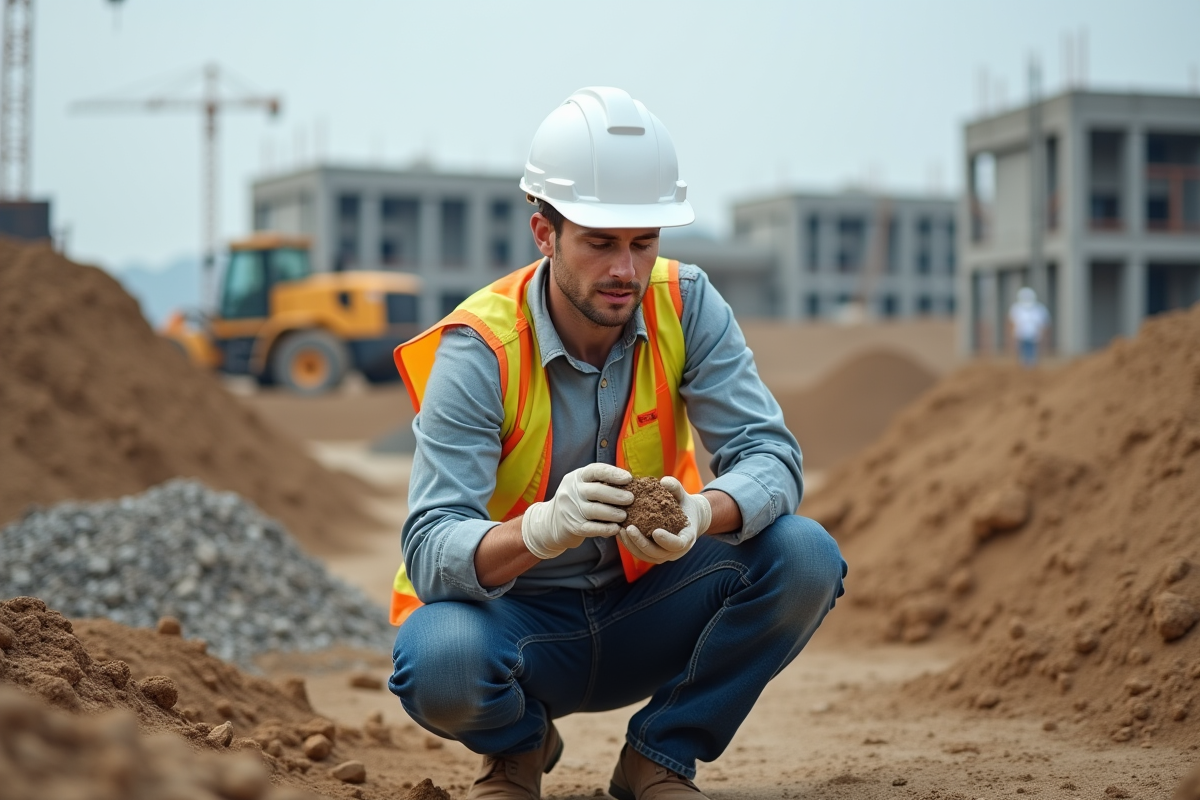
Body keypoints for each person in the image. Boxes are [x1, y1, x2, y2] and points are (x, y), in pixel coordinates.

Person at [387, 87, 846, 800]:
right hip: (518, 629)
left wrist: (703, 512)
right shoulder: (480, 349)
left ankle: (658, 757)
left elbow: (772, 457)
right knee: (437, 658)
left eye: (644, 243)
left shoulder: (687, 304)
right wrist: (540, 531)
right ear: (544, 232)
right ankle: (516, 748)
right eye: (600, 243)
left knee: (806, 555)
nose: (626, 271)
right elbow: (430, 548)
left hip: (648, 607)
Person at [1008, 286, 1050, 367]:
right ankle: (1024, 366)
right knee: (1022, 353)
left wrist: (1043, 336)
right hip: (1021, 335)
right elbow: (1012, 322)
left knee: (1032, 352)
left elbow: (1043, 324)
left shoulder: (1039, 309)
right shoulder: (1016, 308)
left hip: (1034, 336)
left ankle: (1031, 366)